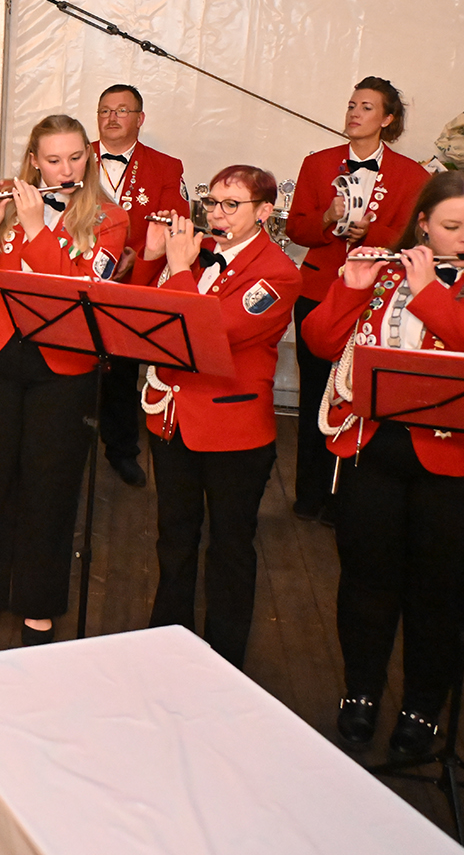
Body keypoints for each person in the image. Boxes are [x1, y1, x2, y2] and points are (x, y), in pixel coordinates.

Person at [301, 171, 464, 756]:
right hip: (373, 451)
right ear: (423, 226)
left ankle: (423, 706)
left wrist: (430, 291)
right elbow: (320, 341)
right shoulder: (388, 274)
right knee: (366, 582)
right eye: (452, 226)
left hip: (462, 462)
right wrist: (351, 288)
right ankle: (361, 692)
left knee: (440, 592)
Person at [0, 115, 128, 645]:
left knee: (50, 483)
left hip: (63, 364)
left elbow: (79, 291)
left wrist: (36, 230)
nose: (66, 169)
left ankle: (38, 599)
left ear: (88, 157)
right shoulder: (8, 199)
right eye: (53, 160)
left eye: (75, 157)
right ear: (34, 161)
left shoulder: (110, 219)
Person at [139, 165, 298, 668]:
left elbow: (204, 334)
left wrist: (179, 268)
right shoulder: (200, 253)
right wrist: (155, 256)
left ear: (264, 212)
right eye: (212, 202)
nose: (218, 213)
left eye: (232, 204)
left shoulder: (278, 273)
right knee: (174, 536)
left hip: (233, 432)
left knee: (229, 547)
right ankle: (167, 639)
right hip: (173, 419)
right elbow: (142, 314)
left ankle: (224, 659)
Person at [285, 77, 428, 522]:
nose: (354, 113)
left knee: (361, 398)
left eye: (366, 107)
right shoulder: (317, 163)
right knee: (315, 393)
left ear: (387, 119)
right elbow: (296, 229)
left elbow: (416, 236)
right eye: (351, 105)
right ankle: (309, 493)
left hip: (377, 298)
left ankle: (348, 499)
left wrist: (374, 233)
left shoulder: (413, 175)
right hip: (318, 293)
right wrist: (326, 218)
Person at [91, 82, 190, 490]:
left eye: (122, 110)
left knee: (121, 371)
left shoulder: (166, 167)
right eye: (105, 110)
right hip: (79, 278)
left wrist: (140, 258)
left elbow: (176, 224)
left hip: (134, 283)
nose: (112, 117)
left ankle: (122, 451)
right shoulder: (76, 157)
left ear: (140, 119)